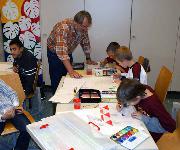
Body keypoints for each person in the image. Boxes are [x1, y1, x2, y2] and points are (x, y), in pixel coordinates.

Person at [47, 10, 97, 94]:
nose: (85, 29)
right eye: (84, 27)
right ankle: (56, 101)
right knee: (57, 78)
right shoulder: (63, 28)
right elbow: (62, 52)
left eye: (87, 27)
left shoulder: (82, 28)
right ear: (76, 23)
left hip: (67, 51)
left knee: (68, 77)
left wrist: (88, 58)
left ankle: (67, 95)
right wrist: (71, 71)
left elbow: (85, 43)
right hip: (54, 53)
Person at [0, 80, 31, 150]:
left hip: (11, 109)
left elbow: (11, 93)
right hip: (1, 116)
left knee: (28, 128)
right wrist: (2, 117)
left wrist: (15, 106)